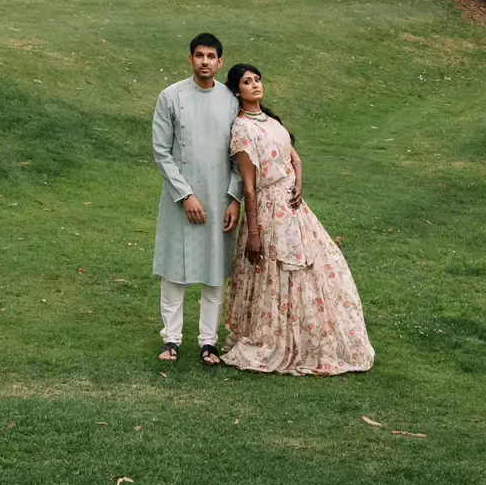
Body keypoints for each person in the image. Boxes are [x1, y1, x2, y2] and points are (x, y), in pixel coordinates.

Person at [221, 63, 374, 375]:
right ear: (237, 91)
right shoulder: (242, 130)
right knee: (277, 272)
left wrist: (299, 183)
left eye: (257, 79)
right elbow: (249, 187)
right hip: (267, 211)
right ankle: (276, 336)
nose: (255, 85)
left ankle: (314, 339)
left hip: (294, 207)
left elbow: (296, 159)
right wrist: (253, 234)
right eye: (247, 82)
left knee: (321, 265)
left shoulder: (271, 121)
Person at [151, 33, 243, 365]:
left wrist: (234, 197)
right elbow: (162, 152)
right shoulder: (171, 96)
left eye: (211, 56)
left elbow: (240, 155)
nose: (205, 61)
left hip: (220, 198)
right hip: (180, 198)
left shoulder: (231, 101)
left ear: (220, 62)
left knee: (214, 269)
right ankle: (171, 339)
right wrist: (186, 195)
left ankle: (209, 342)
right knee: (174, 269)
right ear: (190, 59)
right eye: (199, 55)